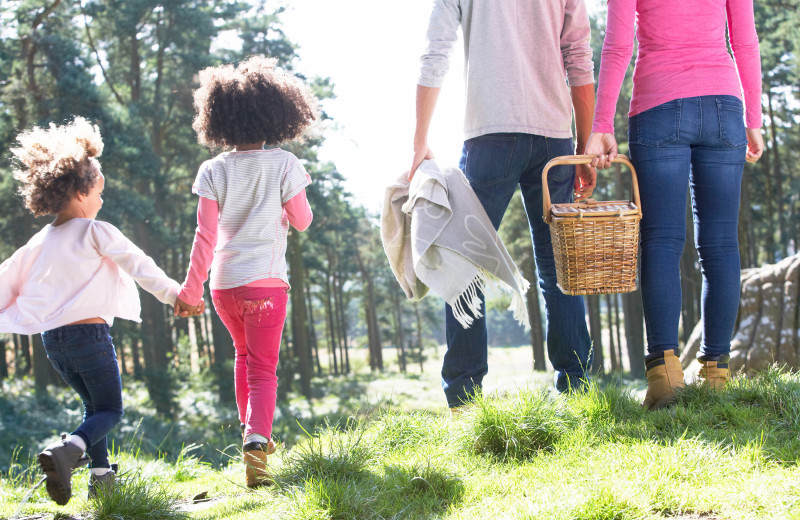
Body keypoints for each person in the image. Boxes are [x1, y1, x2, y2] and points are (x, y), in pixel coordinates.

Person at [0, 117, 198, 505]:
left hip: (54, 344)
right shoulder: (96, 230)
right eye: (98, 192)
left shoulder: (38, 242)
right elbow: (140, 265)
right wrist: (176, 295)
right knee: (110, 408)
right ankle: (67, 449)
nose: (102, 201)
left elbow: (5, 279)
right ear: (77, 192)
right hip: (89, 337)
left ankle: (101, 478)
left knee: (93, 407)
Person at [411, 0, 598, 408]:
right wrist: (584, 144)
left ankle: (464, 400)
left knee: (464, 265)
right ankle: (578, 390)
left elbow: (435, 51)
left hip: (489, 135)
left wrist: (419, 142)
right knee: (558, 265)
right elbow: (579, 57)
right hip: (554, 138)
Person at [585, 0, 764, 409]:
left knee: (662, 241)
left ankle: (664, 377)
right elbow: (745, 40)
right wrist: (752, 118)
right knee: (721, 244)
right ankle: (716, 373)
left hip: (658, 105)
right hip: (724, 107)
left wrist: (601, 126)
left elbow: (617, 43)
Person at [176, 56, 316, 488]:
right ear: (277, 113)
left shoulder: (213, 169)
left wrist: (189, 289)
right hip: (267, 284)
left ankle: (251, 433)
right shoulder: (285, 164)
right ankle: (257, 440)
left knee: (243, 358)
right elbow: (303, 220)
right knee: (263, 368)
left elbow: (204, 236)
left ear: (219, 119)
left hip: (223, 287)